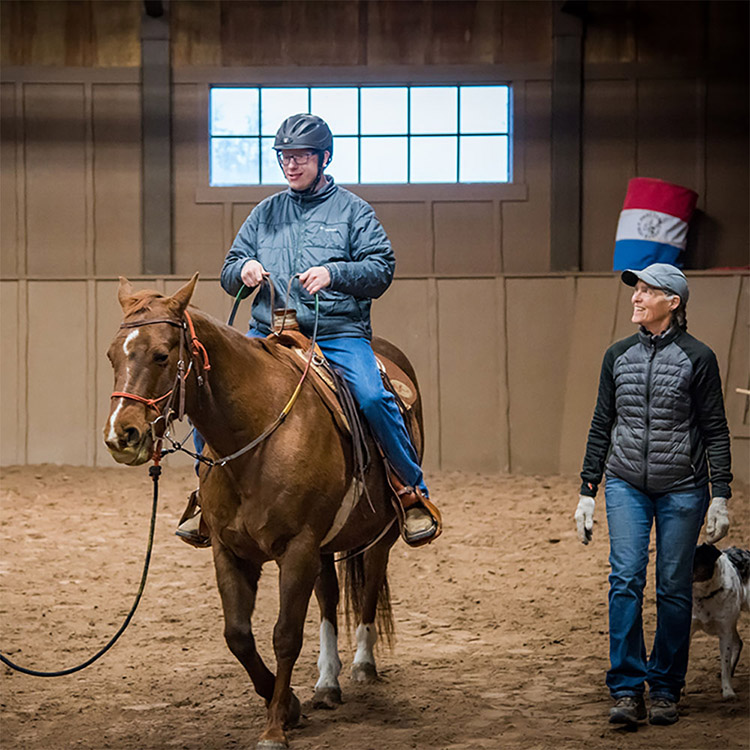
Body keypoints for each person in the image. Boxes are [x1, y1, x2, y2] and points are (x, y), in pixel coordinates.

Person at [177, 113, 440, 548]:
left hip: (337, 334)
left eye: (300, 156)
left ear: (324, 157)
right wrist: (243, 269)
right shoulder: (265, 214)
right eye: (285, 157)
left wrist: (335, 274)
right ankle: (207, 498)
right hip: (268, 334)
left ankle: (409, 492)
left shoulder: (354, 211)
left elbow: (381, 268)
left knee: (374, 397)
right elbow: (227, 269)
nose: (291, 165)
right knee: (208, 393)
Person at [574, 263, 732, 727]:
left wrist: (719, 493)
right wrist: (588, 490)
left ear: (673, 303)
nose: (636, 298)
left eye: (647, 291)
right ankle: (625, 688)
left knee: (672, 587)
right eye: (635, 290)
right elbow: (602, 423)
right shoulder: (617, 355)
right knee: (625, 579)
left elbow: (716, 430)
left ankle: (665, 687)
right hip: (626, 482)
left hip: (683, 487)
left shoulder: (697, 358)